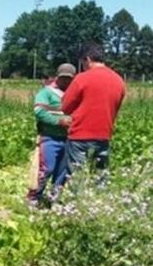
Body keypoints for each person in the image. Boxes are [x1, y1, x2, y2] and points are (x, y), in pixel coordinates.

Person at [61, 45, 126, 176]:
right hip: (104, 135)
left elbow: (65, 107)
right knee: (100, 177)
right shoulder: (118, 80)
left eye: (82, 62)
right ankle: (100, 197)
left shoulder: (82, 78)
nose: (83, 66)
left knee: (77, 177)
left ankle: (78, 197)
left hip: (80, 135)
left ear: (88, 59)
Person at [26, 63, 76, 207]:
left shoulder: (74, 93)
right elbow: (39, 112)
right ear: (57, 77)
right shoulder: (46, 93)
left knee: (63, 171)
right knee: (46, 168)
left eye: (69, 79)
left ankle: (54, 199)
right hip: (49, 137)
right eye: (63, 78)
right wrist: (58, 121)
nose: (66, 82)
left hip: (68, 139)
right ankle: (34, 197)